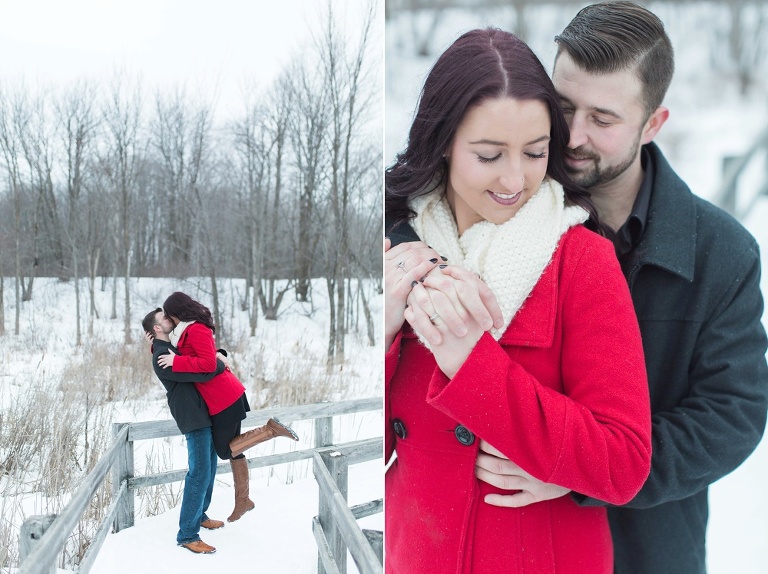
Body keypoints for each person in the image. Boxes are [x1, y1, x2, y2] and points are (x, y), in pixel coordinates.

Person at [475, 3, 768, 573]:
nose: (574, 136)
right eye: (562, 108)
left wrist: (578, 469)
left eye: (603, 119)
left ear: (653, 124)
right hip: (518, 545)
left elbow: (731, 415)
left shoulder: (721, 252)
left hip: (649, 550)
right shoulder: (497, 215)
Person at [384, 28, 652, 573]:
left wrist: (471, 364)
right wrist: (384, 336)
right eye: (488, 155)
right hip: (417, 551)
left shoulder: (582, 260)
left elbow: (623, 462)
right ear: (443, 144)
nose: (515, 179)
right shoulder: (397, 251)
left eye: (535, 152)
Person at [141, 308, 227, 554]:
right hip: (193, 417)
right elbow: (204, 370)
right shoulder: (162, 355)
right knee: (199, 473)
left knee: (208, 468)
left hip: (203, 413)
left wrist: (215, 355)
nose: (170, 319)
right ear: (157, 328)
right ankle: (188, 534)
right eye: (164, 319)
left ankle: (200, 515)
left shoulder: (169, 348)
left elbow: (195, 358)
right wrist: (219, 362)